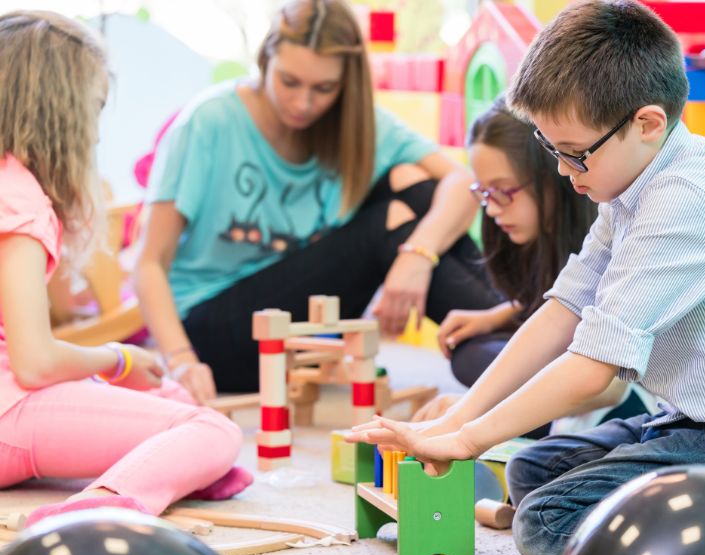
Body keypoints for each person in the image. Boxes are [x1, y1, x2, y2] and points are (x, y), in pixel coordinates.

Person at [348, 0, 705, 555]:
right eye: (551, 148)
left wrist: (466, 442)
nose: (563, 170)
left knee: (547, 524)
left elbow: (592, 369)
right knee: (533, 471)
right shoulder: (632, 183)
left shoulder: (688, 201)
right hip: (699, 421)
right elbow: (562, 311)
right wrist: (457, 421)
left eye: (574, 153)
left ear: (647, 123)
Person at [135, 0, 498, 402]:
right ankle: (517, 351)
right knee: (385, 225)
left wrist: (417, 257)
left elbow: (463, 181)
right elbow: (149, 262)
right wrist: (181, 358)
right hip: (212, 337)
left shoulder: (356, 126)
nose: (303, 103)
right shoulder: (209, 121)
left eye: (324, 88)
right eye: (289, 82)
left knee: (419, 193)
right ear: (265, 59)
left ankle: (505, 337)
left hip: (305, 329)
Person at [0, 10, 250, 528]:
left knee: (164, 393)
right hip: (9, 418)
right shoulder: (18, 201)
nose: (94, 135)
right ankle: (98, 508)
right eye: (93, 111)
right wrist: (116, 358)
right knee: (213, 431)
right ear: (59, 114)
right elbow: (35, 363)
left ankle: (175, 468)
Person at [415, 96, 647, 437]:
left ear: (552, 175)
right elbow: (561, 307)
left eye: (503, 191)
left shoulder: (612, 231)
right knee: (469, 353)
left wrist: (472, 415)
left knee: (501, 373)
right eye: (484, 192)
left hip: (622, 403)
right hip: (583, 387)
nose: (492, 209)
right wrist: (501, 314)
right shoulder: (539, 239)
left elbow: (606, 382)